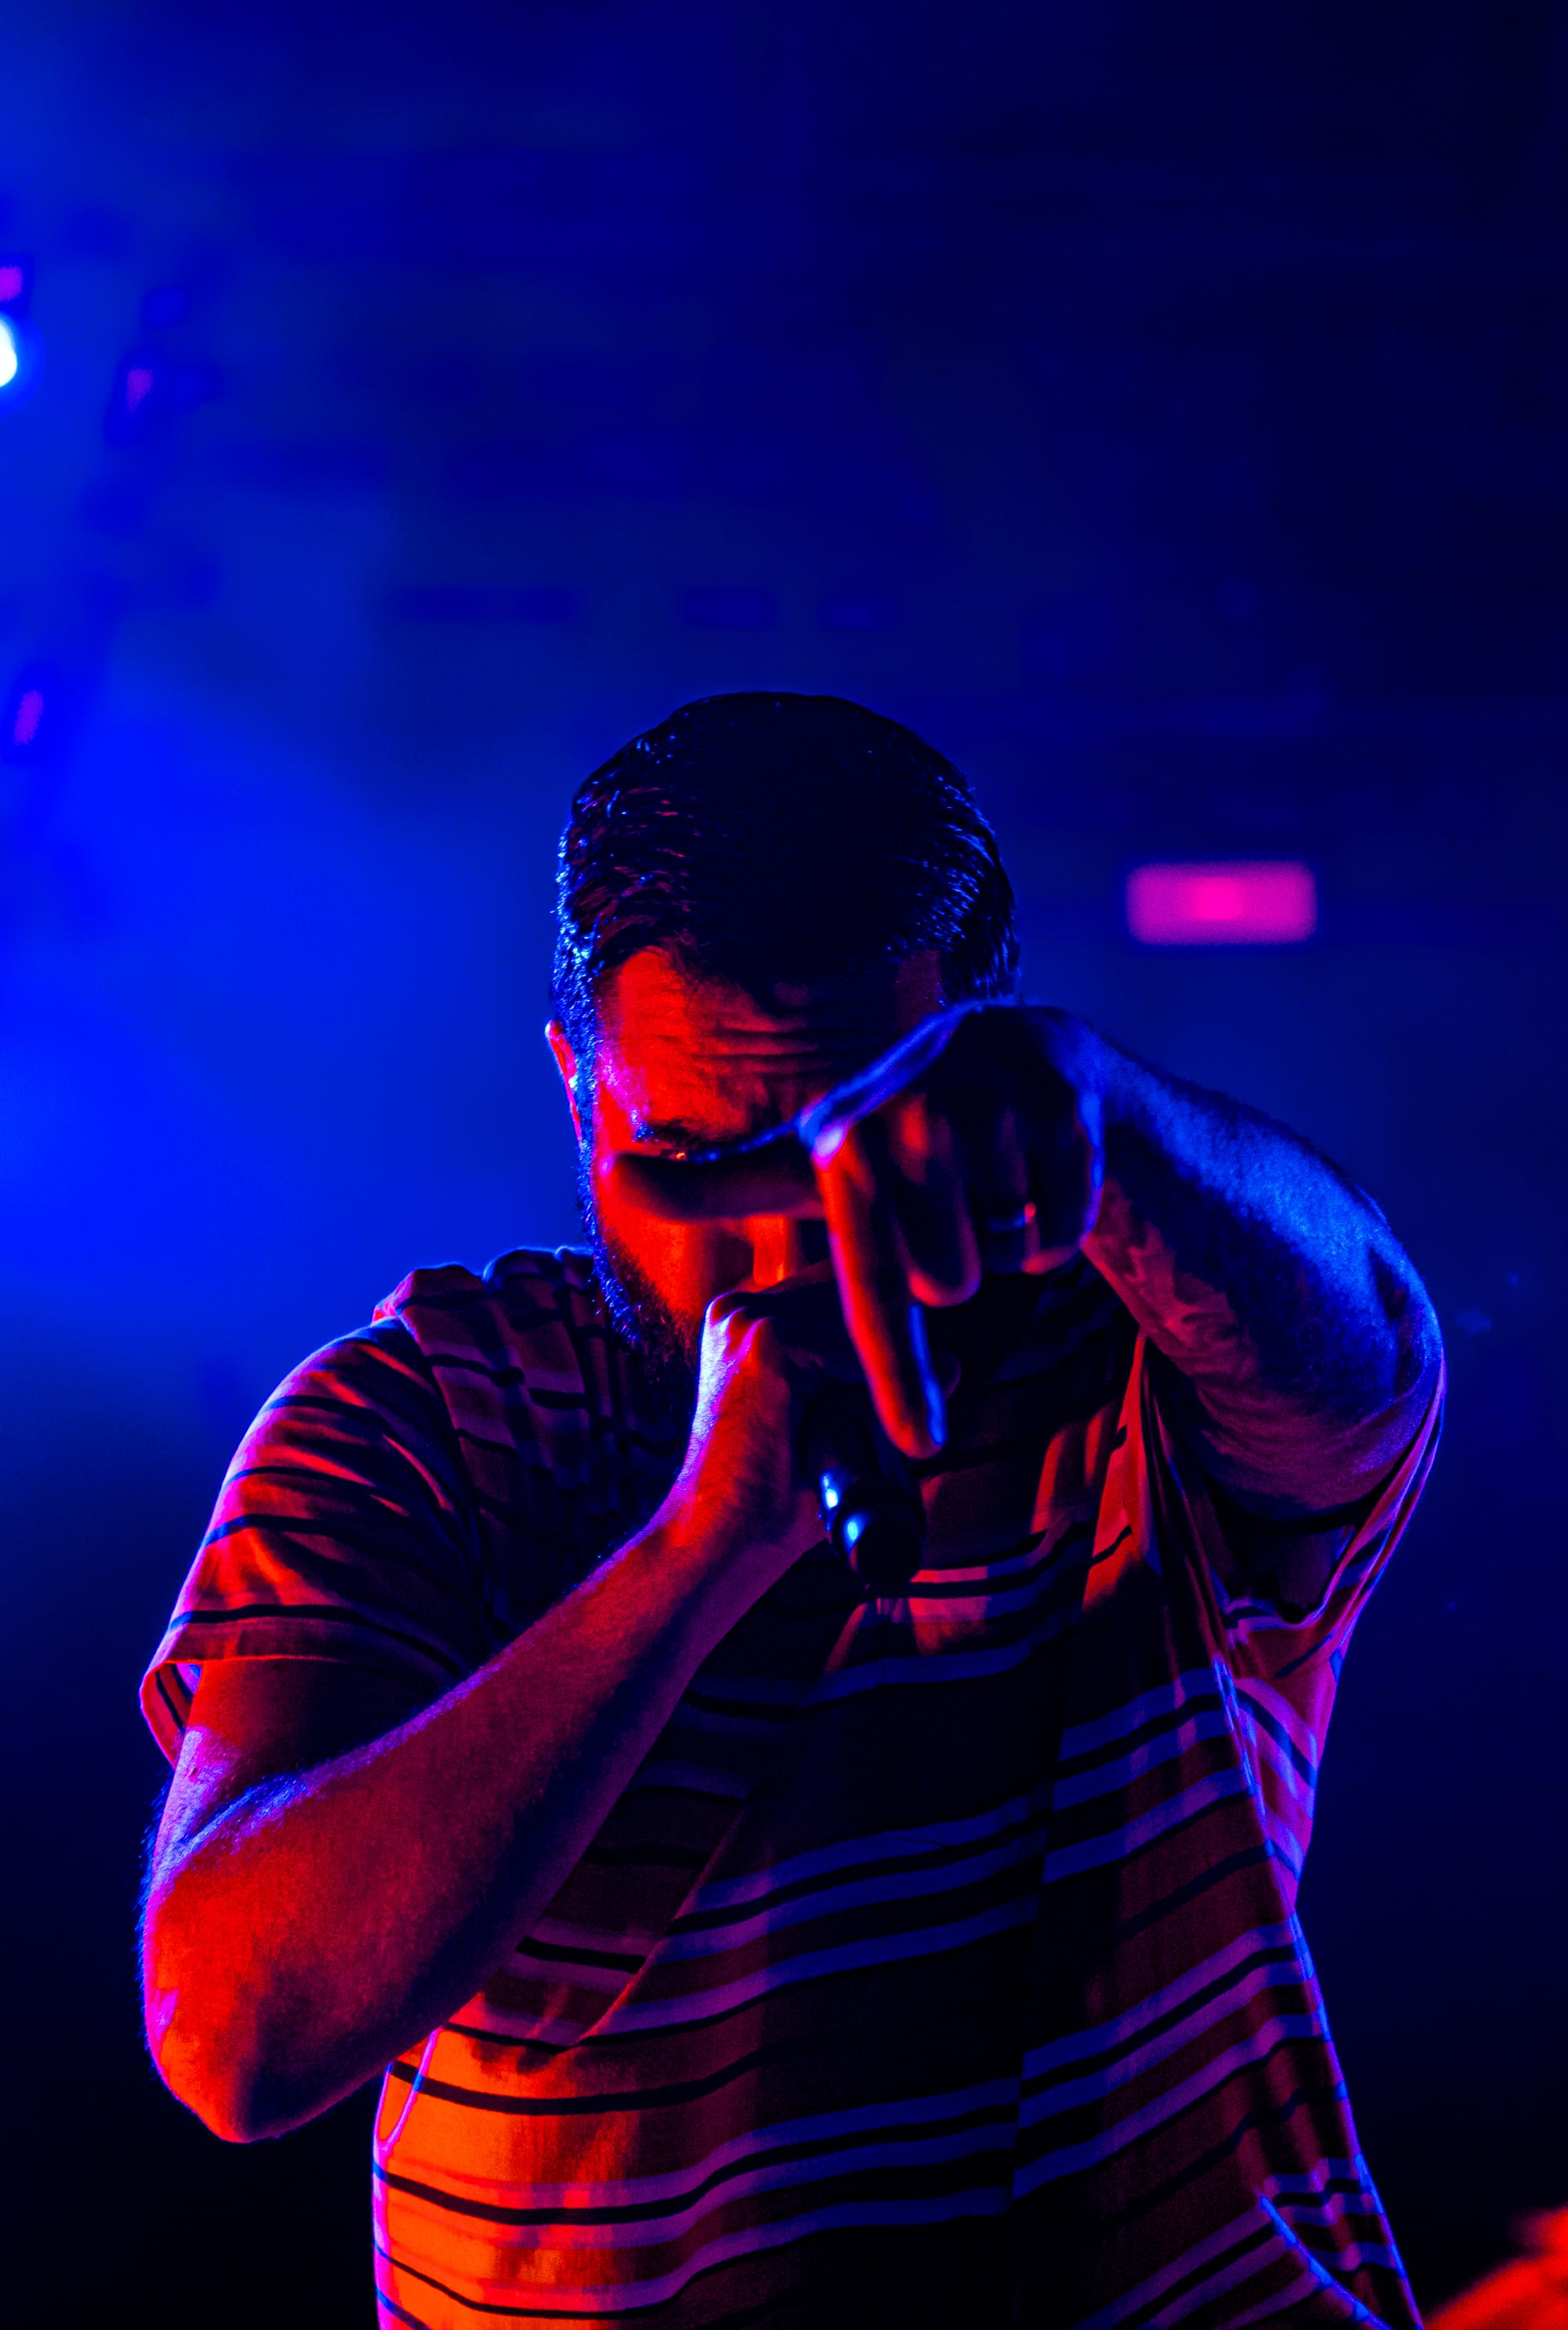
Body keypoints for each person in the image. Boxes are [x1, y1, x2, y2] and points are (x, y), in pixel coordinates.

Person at [140, 692, 1443, 2329]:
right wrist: (702, 1547)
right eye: (695, 1163)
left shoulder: (1137, 1361)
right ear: (576, 1089)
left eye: (857, 1148)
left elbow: (1377, 1350)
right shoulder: (418, 1423)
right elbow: (237, 2032)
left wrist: (1113, 1123)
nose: (781, 1247)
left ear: (973, 1068)